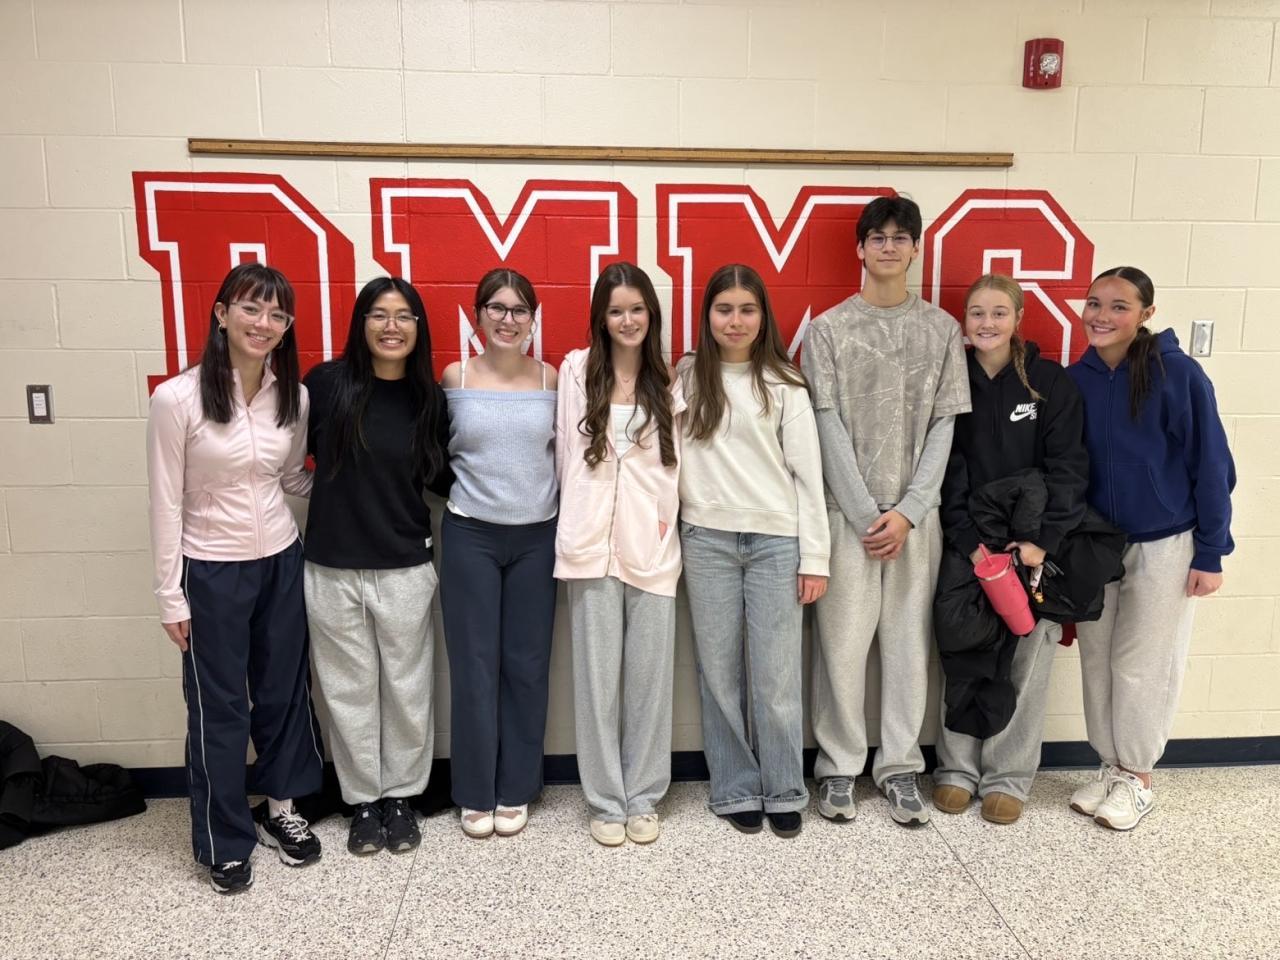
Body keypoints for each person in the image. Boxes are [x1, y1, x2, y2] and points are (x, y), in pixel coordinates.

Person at [146, 262, 324, 894]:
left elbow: (291, 478)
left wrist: (358, 486)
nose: (264, 323)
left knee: (283, 693)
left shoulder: (293, 396)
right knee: (219, 708)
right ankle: (224, 840)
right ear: (221, 314)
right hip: (210, 569)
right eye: (251, 308)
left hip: (280, 559)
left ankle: (281, 809)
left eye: (278, 314)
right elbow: (164, 501)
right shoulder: (177, 399)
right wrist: (170, 594)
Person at [802, 194, 971, 826]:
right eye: (879, 237)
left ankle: (900, 767)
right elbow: (824, 424)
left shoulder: (942, 330)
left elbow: (944, 425)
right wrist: (861, 511)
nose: (890, 247)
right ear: (861, 248)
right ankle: (838, 767)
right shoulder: (827, 330)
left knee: (908, 649)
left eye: (901, 237)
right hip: (847, 519)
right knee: (841, 649)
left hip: (914, 522)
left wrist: (909, 510)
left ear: (916, 248)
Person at [1066, 266, 1235, 831]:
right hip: (1097, 544)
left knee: (1143, 664)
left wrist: (1211, 551)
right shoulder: (1078, 379)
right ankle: (1109, 765)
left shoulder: (1178, 374)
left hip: (1165, 542)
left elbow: (1213, 465)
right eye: (1094, 303)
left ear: (1146, 314)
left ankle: (1137, 778)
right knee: (1098, 659)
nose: (1102, 316)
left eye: (1119, 306)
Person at [302, 277, 453, 856]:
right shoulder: (325, 385)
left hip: (405, 567)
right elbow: (289, 462)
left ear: (419, 327)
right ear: (361, 323)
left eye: (404, 316)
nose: (392, 326)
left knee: (408, 689)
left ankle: (402, 798)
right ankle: (363, 800)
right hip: (332, 567)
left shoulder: (429, 399)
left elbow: (444, 479)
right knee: (349, 691)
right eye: (379, 314)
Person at [678, 263, 829, 838]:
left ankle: (784, 787)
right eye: (724, 309)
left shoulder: (785, 384)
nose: (735, 321)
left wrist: (815, 558)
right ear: (708, 316)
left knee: (776, 676)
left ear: (763, 316)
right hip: (706, 541)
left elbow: (809, 477)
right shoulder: (687, 379)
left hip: (775, 545)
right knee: (719, 675)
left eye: (747, 309)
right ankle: (736, 786)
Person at [931, 274, 1089, 825]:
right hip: (969, 546)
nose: (987, 323)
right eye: (977, 313)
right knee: (963, 654)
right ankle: (956, 769)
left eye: (999, 312)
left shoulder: (1049, 382)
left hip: (1033, 548)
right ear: (964, 320)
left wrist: (1043, 542)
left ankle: (1008, 776)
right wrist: (968, 543)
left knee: (1026, 661)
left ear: (1018, 318)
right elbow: (944, 467)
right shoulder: (953, 380)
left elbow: (1069, 467)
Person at [555, 262, 684, 847]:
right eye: (615, 311)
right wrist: (578, 521)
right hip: (589, 547)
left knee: (650, 682)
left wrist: (661, 523)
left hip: (652, 547)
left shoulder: (671, 379)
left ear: (650, 313)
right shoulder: (576, 370)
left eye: (636, 309)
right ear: (600, 318)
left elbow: (679, 467)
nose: (627, 320)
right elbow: (566, 456)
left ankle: (644, 796)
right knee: (596, 681)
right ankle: (606, 800)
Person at [439, 267, 559, 839]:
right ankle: (474, 790)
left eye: (519, 310)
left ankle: (517, 787)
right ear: (478, 315)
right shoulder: (455, 375)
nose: (508, 320)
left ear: (532, 319)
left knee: (527, 666)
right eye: (497, 308)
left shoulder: (552, 379)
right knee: (475, 666)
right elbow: (436, 454)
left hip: (537, 536)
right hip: (471, 536)